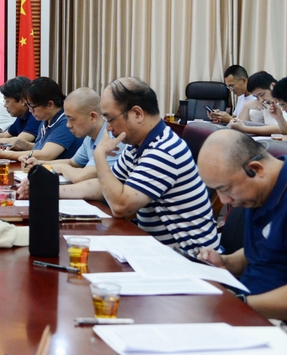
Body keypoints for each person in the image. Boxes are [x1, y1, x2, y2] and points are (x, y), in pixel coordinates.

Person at [94, 77, 220, 253]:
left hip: (191, 257)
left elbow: (120, 206)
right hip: (159, 250)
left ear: (137, 114)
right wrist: (58, 191)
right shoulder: (137, 145)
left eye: (110, 119)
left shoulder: (165, 150)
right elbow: (106, 185)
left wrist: (99, 156)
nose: (108, 128)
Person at [196, 129, 287, 320]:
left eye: (226, 189)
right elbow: (263, 252)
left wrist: (239, 304)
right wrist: (225, 262)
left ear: (256, 169)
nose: (224, 200)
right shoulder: (258, 193)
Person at [19, 87, 127, 200]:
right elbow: (73, 162)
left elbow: (81, 176)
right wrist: (39, 165)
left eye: (72, 119)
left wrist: (61, 167)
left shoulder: (112, 140)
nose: (68, 125)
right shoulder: (90, 137)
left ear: (93, 117)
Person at [0, 77, 80, 162]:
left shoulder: (65, 122)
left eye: (32, 107)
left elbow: (46, 155)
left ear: (50, 104)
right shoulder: (46, 119)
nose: (30, 110)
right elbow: (42, 147)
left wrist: (4, 154)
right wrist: (23, 144)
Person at [230, 71, 287, 135]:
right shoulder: (265, 103)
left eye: (261, 94)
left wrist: (244, 128)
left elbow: (280, 128)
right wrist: (246, 107)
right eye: (256, 97)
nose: (261, 100)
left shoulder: (284, 101)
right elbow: (244, 123)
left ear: (273, 86)